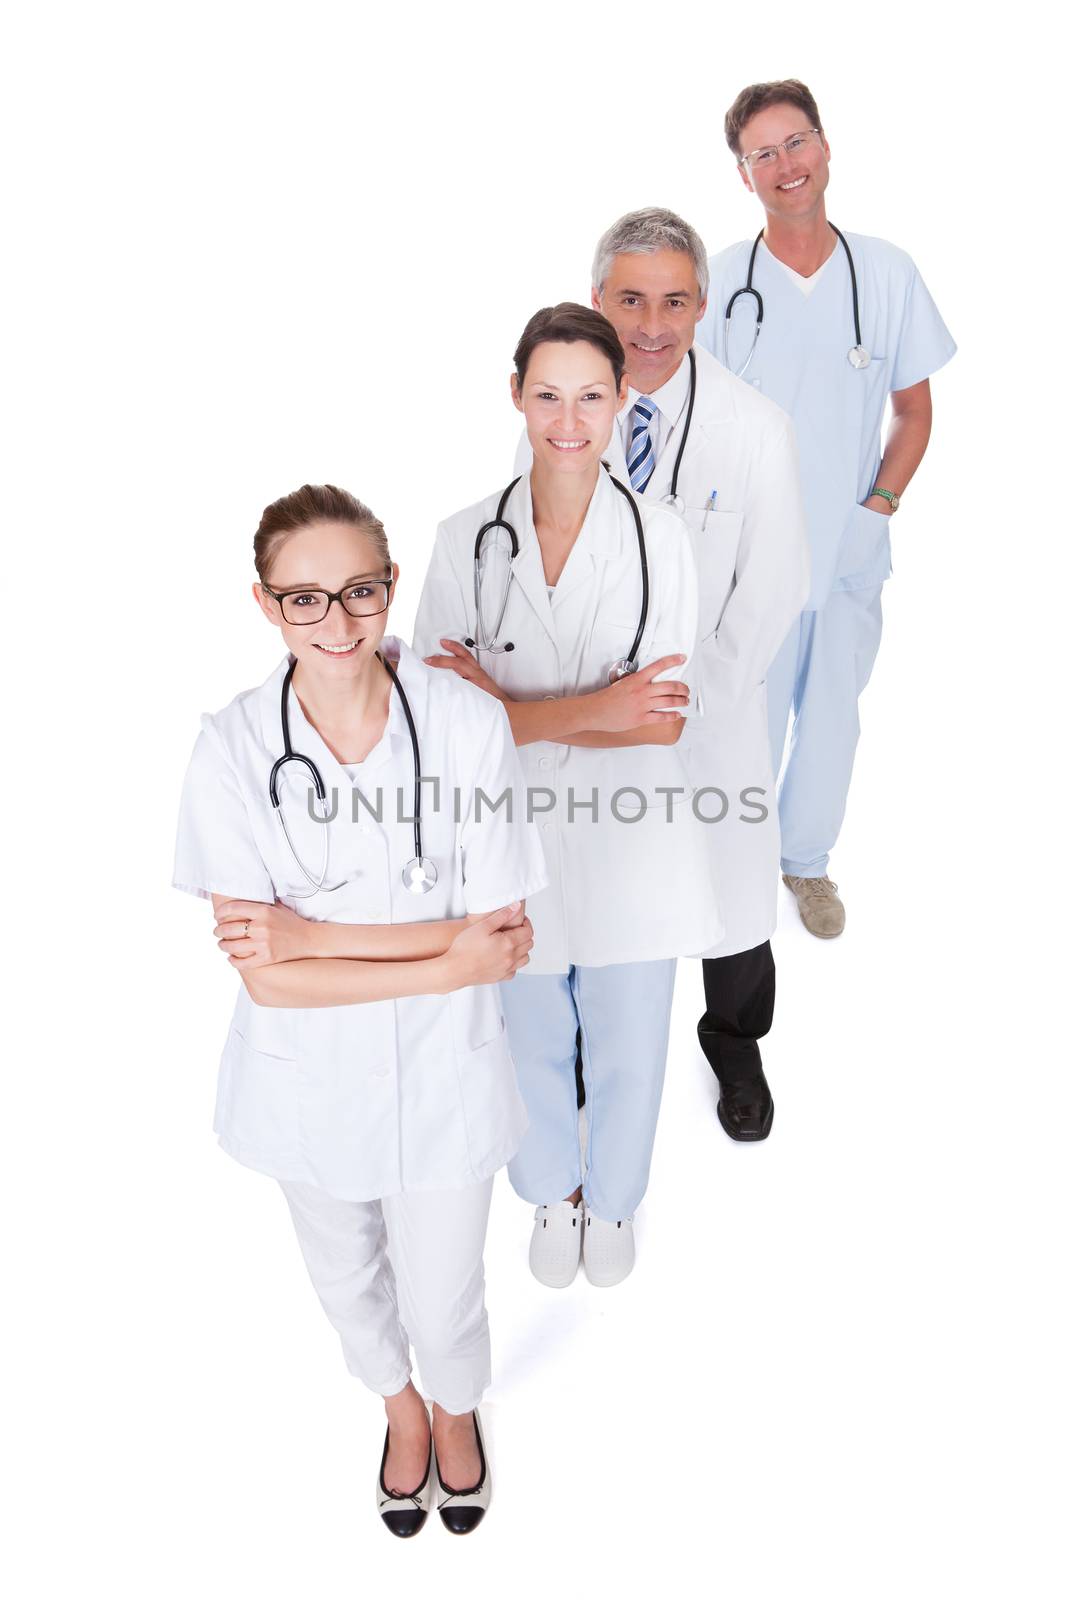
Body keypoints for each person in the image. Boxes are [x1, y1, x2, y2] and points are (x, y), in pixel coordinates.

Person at [172, 484, 546, 1538]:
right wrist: (436, 956)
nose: (336, 624)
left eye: (360, 591)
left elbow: (501, 940)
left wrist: (311, 935)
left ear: (391, 587)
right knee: (345, 1277)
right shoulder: (235, 749)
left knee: (445, 1294)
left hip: (446, 1080)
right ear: (264, 603)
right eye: (304, 599)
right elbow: (265, 978)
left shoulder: (466, 723)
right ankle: (401, 1412)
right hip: (305, 1081)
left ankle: (457, 1408)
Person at [414, 305, 722, 1290]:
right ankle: (551, 1187)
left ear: (620, 400)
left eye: (590, 395)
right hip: (505, 836)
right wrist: (601, 705)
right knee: (529, 1030)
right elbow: (439, 719)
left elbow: (663, 722)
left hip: (633, 839)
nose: (567, 418)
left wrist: (508, 708)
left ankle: (616, 1198)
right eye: (546, 394)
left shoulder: (659, 539)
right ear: (516, 395)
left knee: (632, 1041)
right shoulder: (463, 541)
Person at [698, 80, 956, 937]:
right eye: (761, 153)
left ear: (825, 147)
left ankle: (804, 865)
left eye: (795, 142)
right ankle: (730, 865)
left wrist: (876, 507)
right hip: (748, 553)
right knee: (744, 719)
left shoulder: (883, 272)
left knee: (833, 718)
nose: (785, 165)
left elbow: (913, 411)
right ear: (743, 175)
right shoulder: (720, 281)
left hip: (846, 544)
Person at [584, 206, 809, 1142]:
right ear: (595, 299)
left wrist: (689, 695)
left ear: (701, 306)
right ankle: (602, 1049)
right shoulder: (564, 410)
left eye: (673, 300)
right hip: (592, 710)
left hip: (708, 711)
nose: (649, 323)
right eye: (629, 299)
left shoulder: (752, 428)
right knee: (598, 882)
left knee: (733, 892)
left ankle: (733, 1039)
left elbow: (775, 580)